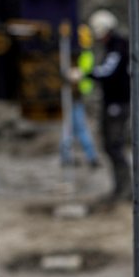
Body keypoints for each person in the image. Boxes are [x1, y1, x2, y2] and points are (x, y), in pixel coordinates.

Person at [86, 8, 132, 200]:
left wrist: (85, 74)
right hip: (112, 102)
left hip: (118, 103)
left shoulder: (118, 46)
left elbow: (108, 72)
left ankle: (126, 189)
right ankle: (119, 188)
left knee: (115, 145)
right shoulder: (113, 46)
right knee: (109, 145)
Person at [60, 24, 101, 169]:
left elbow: (80, 75)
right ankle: (85, 157)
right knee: (74, 127)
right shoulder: (84, 54)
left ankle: (72, 156)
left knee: (73, 127)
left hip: (76, 95)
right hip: (74, 96)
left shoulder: (83, 55)